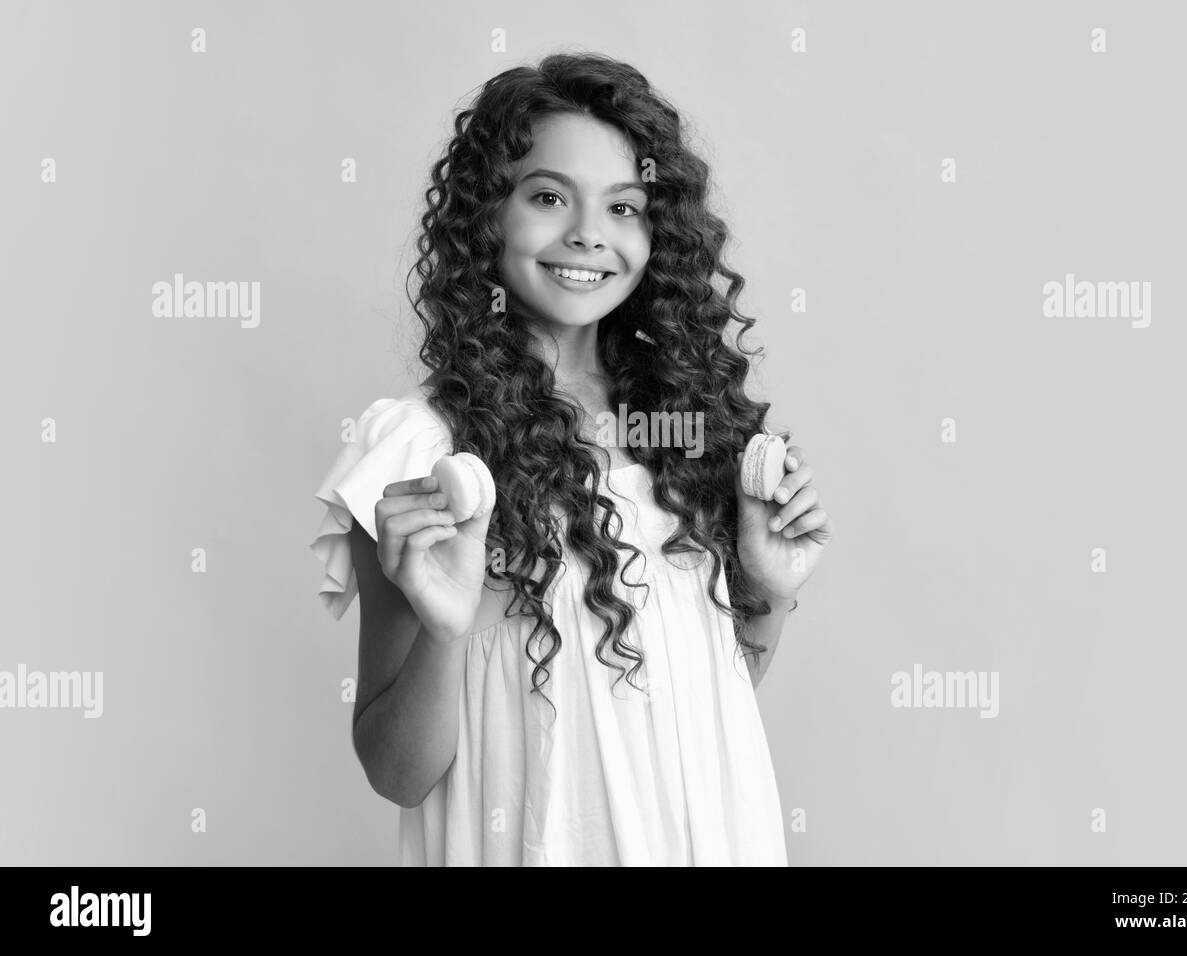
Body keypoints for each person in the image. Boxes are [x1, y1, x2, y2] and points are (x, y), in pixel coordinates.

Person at [309, 52, 832, 865]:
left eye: (624, 206)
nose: (589, 233)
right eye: (550, 196)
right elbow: (398, 773)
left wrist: (767, 592)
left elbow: (695, 712)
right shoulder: (425, 449)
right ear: (489, 215)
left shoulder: (687, 433)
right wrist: (447, 632)